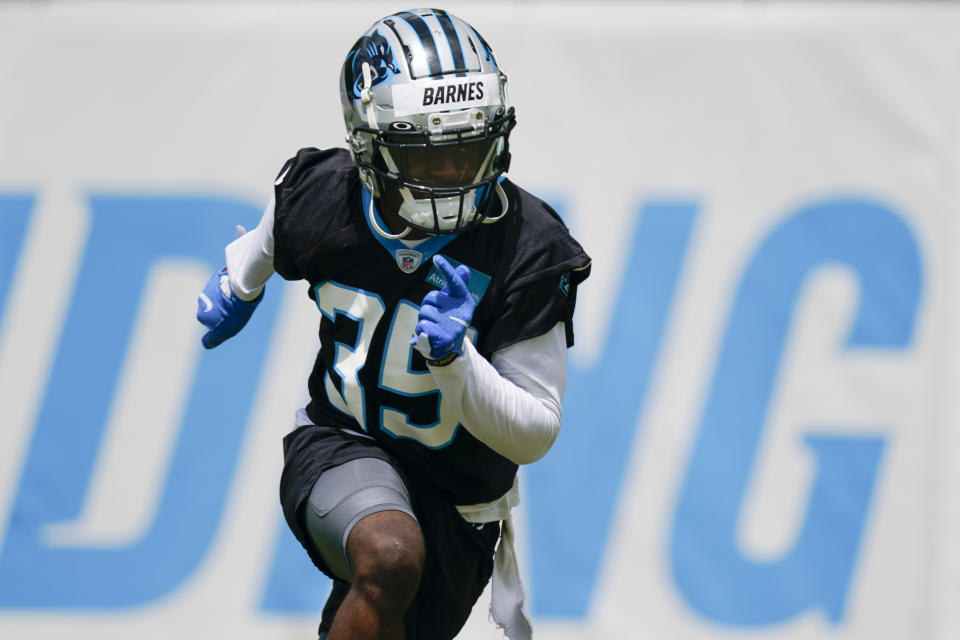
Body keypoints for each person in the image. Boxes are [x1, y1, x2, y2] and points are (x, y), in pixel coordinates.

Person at [196, 8, 590, 640]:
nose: (454, 176)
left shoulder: (530, 247)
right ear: (367, 147)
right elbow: (278, 223)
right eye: (429, 158)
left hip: (459, 501)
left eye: (469, 149)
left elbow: (535, 433)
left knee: (392, 601)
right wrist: (236, 283)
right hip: (343, 442)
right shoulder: (325, 193)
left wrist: (456, 362)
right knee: (389, 557)